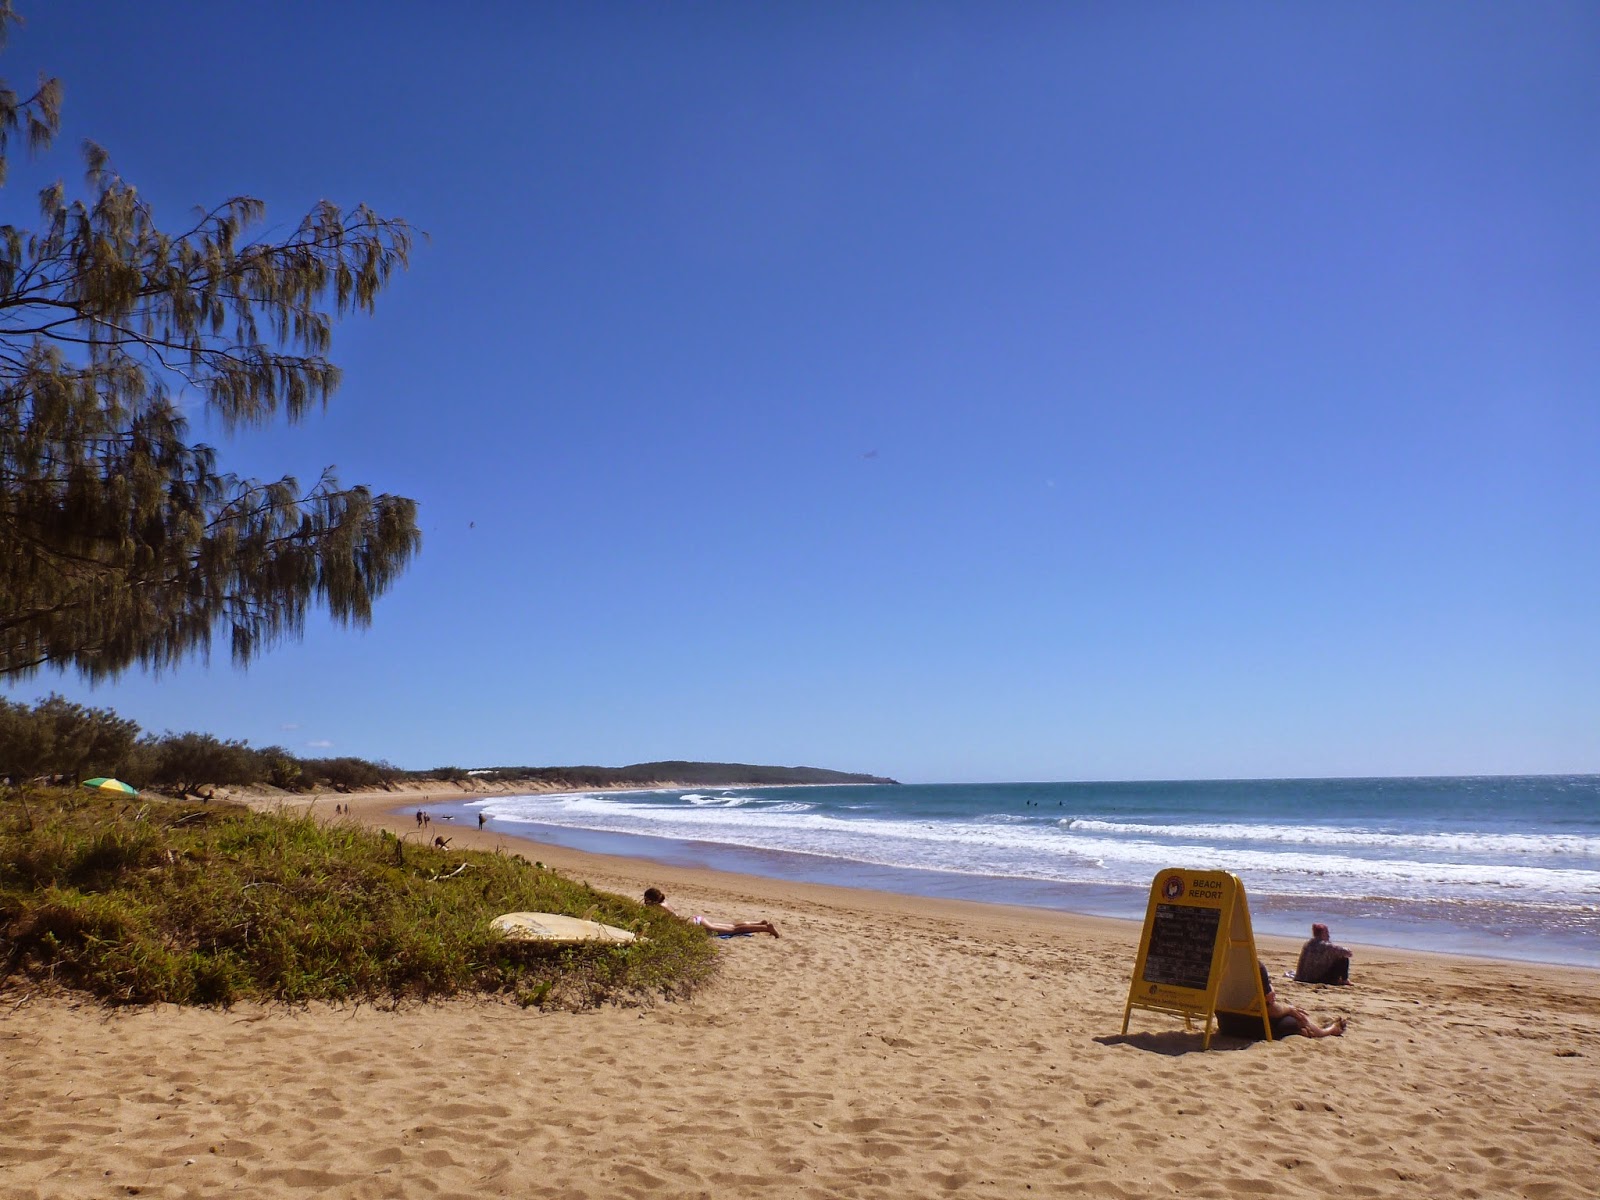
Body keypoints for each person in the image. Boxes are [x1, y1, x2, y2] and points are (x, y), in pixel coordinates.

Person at [642, 887, 779, 937]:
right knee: (731, 926)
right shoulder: (664, 903)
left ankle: (765, 928)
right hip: (695, 919)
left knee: (732, 930)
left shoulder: (658, 908)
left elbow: (670, 922)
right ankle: (760, 923)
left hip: (693, 924)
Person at [1262, 962, 1346, 1038]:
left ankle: (1301, 1032)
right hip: (1262, 1027)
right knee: (1299, 1018)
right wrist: (1288, 1009)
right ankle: (1328, 1031)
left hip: (1249, 1025)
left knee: (1293, 1016)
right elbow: (1271, 1010)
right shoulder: (1259, 969)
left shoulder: (1251, 970)